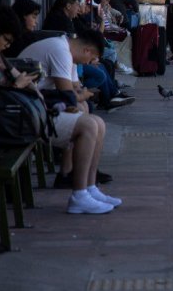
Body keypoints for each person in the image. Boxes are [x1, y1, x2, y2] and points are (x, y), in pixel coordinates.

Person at [18, 28, 123, 214]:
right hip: (27, 114)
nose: (90, 64)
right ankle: (79, 195)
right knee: (90, 124)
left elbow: (74, 91)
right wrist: (81, 97)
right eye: (91, 60)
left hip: (38, 108)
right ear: (87, 50)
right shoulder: (60, 50)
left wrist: (79, 98)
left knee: (97, 122)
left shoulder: (68, 51)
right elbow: (68, 96)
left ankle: (90, 188)